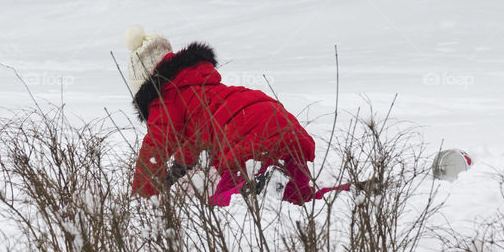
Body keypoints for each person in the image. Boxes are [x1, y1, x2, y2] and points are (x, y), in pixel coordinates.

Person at [124, 26, 354, 206]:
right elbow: (193, 141)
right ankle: (351, 194)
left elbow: (155, 147)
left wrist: (140, 199)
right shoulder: (198, 85)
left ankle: (262, 183)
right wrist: (174, 174)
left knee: (225, 203)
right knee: (299, 199)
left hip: (246, 136)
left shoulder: (164, 97)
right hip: (278, 121)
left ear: (143, 84)